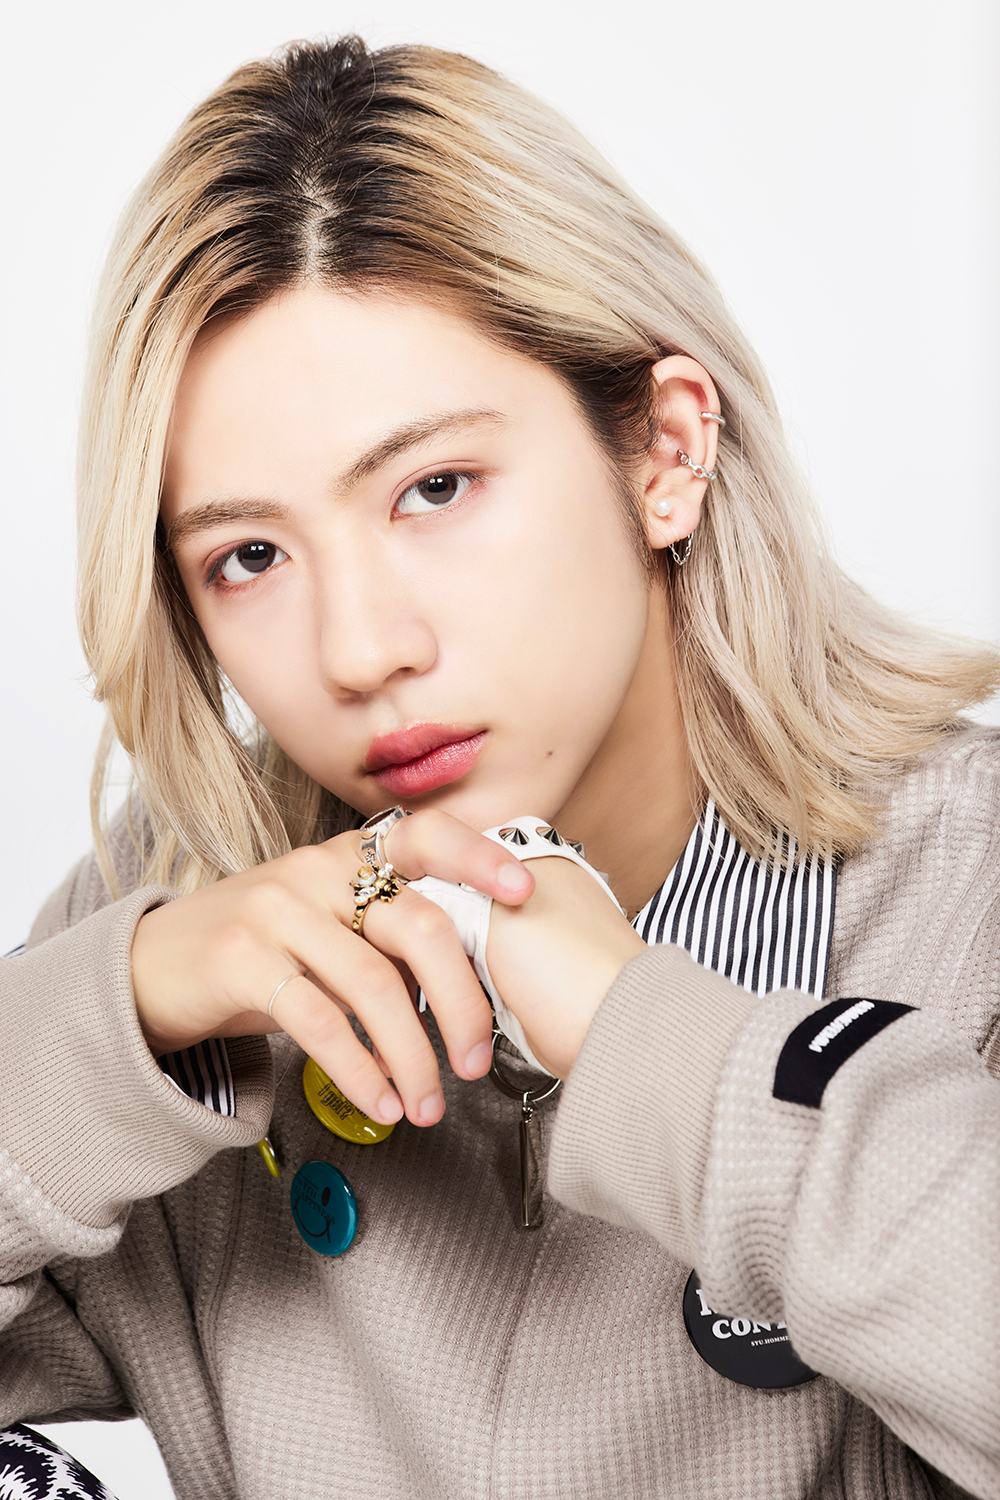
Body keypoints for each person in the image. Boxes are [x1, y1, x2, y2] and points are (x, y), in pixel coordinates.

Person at [1, 33, 998, 1500]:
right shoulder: (182, 912)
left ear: (665, 452)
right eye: (251, 556)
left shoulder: (968, 900)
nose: (360, 650)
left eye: (435, 488)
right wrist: (108, 1029)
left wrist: (655, 1045)